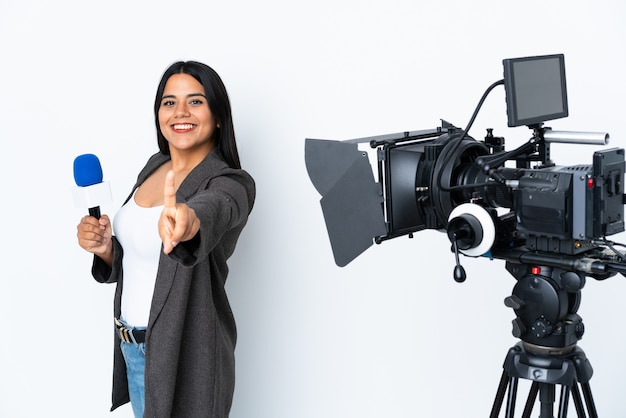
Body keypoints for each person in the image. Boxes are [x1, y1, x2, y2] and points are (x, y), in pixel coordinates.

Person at [76, 61, 256, 418]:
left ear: (219, 115)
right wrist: (106, 249)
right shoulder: (154, 166)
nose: (181, 112)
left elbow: (217, 208)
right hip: (134, 349)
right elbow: (140, 260)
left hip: (186, 355)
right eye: (169, 102)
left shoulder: (231, 182)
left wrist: (189, 221)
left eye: (196, 101)